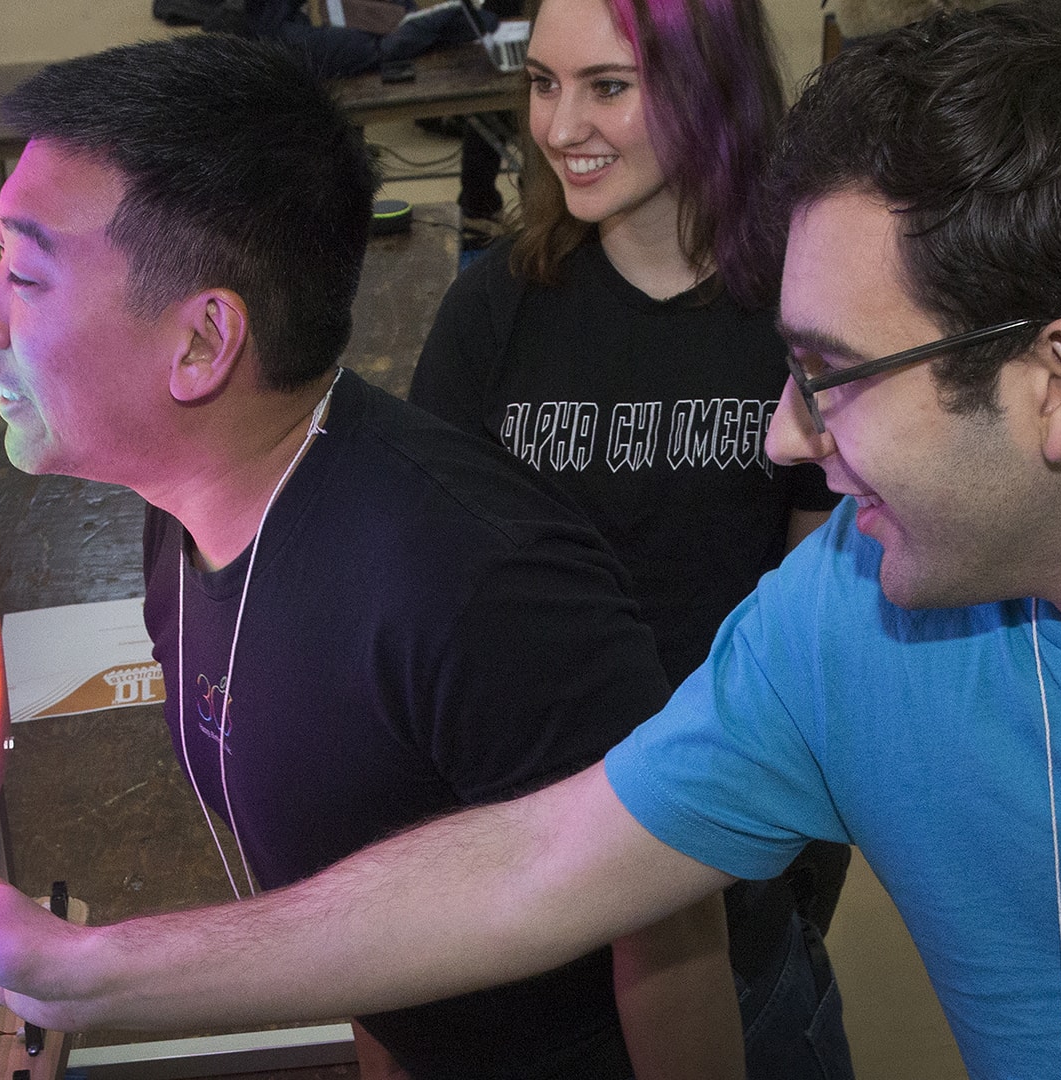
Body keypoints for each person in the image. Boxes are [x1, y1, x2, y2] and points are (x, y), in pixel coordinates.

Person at [0, 3, 1061, 1076]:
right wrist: (93, 972)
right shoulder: (840, 620)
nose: (782, 439)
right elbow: (535, 865)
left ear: (1057, 385)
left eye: (829, 377)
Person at [0, 32, 743, 1080]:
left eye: (28, 274)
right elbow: (358, 913)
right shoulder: (187, 510)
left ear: (201, 344)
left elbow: (676, 929)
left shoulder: (471, 581)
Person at [407, 0, 850, 1072]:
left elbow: (817, 616)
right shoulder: (496, 314)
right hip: (534, 855)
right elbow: (422, 596)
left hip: (729, 851)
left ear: (712, 91)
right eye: (545, 83)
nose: (560, 127)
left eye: (607, 86)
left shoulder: (804, 308)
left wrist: (773, 865)